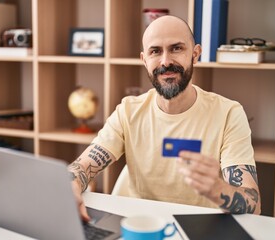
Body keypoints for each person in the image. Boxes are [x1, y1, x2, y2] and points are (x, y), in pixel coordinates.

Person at [68, 15, 261, 221]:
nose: (166, 61)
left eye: (176, 48)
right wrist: (71, 186)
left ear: (195, 54)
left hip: (199, 228)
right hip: (137, 226)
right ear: (144, 60)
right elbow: (83, 166)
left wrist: (217, 189)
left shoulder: (229, 114)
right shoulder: (128, 111)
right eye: (155, 51)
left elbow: (253, 204)